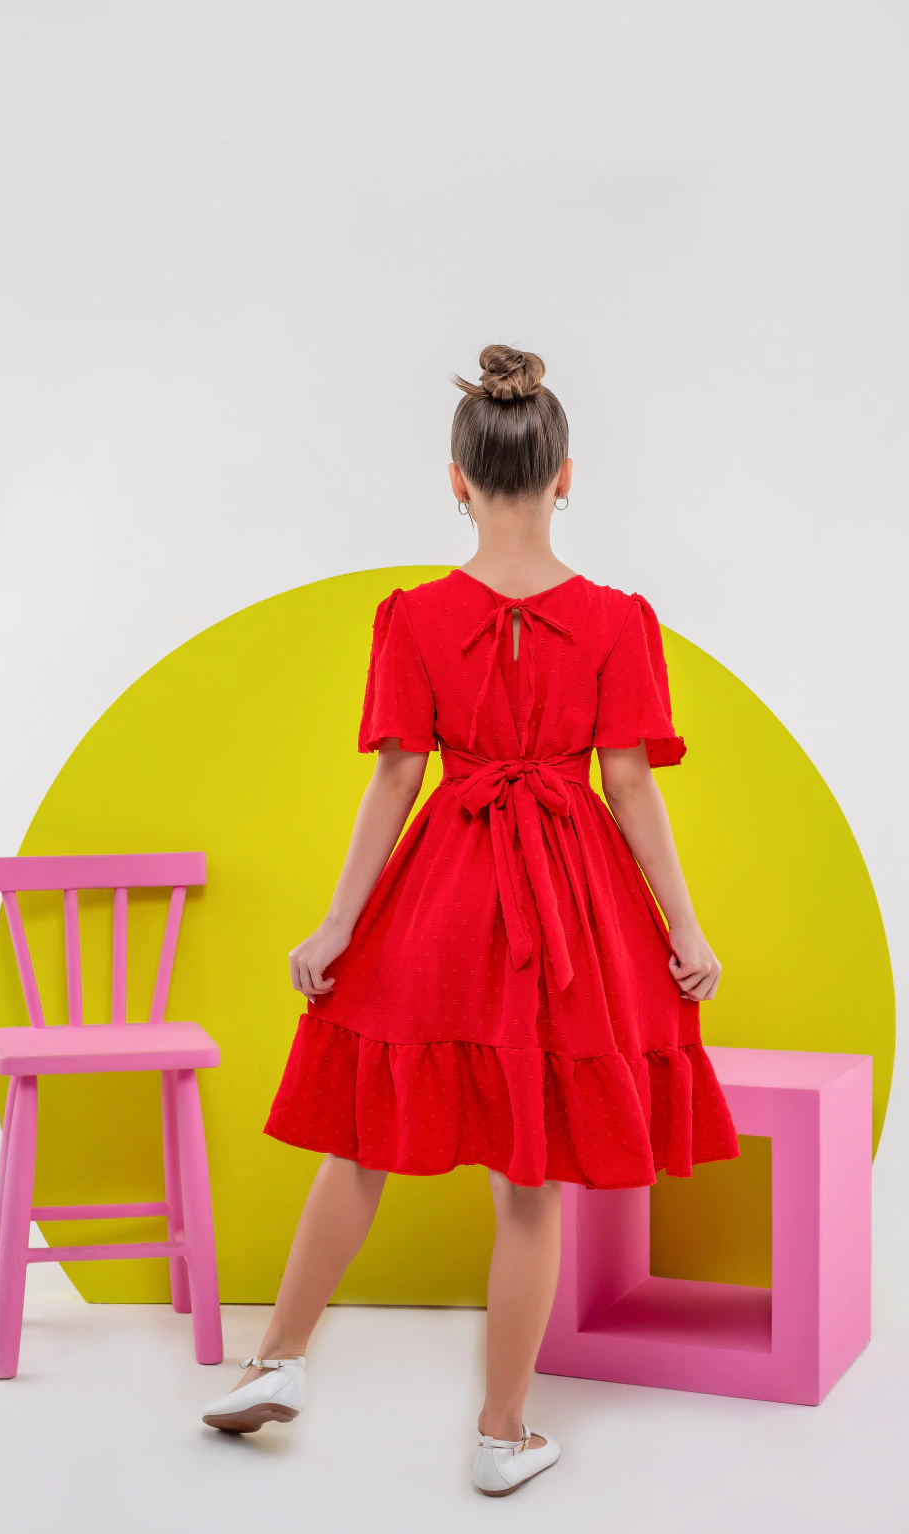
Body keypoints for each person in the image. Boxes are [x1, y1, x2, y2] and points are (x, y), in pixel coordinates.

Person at [200, 344, 739, 1496]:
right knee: (528, 1178)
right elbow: (629, 786)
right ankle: (501, 1436)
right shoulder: (618, 620)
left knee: (360, 1139)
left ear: (455, 480)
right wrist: (683, 929)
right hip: (570, 905)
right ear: (565, 476)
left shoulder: (410, 617)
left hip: (444, 892)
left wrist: (337, 924)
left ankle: (276, 1359)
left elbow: (396, 778)